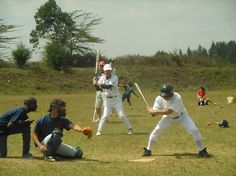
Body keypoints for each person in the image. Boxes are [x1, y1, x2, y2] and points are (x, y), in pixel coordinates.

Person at [142, 83, 209, 157]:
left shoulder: (177, 97)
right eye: (164, 96)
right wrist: (152, 112)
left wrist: (154, 111)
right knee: (157, 130)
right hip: (168, 118)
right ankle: (148, 150)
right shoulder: (159, 98)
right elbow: (156, 112)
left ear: (171, 93)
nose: (165, 98)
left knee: (194, 130)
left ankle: (202, 150)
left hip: (182, 117)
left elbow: (169, 111)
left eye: (167, 96)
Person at [94, 64, 133, 136]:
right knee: (105, 115)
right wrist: (95, 85)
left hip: (116, 99)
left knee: (121, 115)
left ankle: (130, 128)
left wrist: (100, 84)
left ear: (111, 71)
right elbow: (98, 89)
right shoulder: (102, 78)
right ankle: (99, 130)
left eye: (109, 70)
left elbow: (109, 86)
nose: (108, 72)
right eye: (106, 71)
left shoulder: (115, 77)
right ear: (104, 71)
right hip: (107, 100)